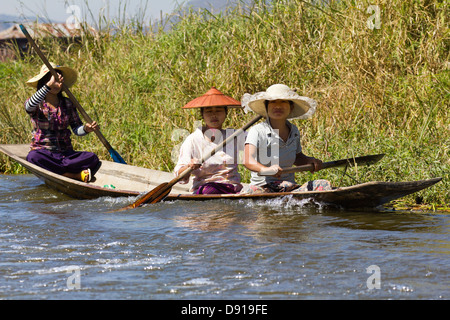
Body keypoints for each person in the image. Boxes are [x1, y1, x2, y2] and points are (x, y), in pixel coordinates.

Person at [241, 84, 331, 193]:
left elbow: (297, 157)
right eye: (273, 102)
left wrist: (310, 161)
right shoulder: (258, 131)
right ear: (266, 107)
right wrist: (265, 170)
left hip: (288, 187)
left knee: (321, 184)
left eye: (283, 102)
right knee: (252, 191)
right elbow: (247, 160)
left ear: (291, 107)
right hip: (263, 187)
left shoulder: (294, 131)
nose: (278, 106)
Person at [24, 63, 100, 182]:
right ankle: (74, 176)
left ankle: (61, 171)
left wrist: (86, 129)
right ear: (44, 81)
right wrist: (49, 85)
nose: (57, 84)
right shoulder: (37, 103)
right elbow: (28, 107)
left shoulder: (67, 103)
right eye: (53, 80)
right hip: (45, 153)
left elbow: (76, 128)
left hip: (65, 154)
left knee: (92, 158)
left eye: (59, 81)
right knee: (33, 157)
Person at [174, 87, 244, 194]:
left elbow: (260, 142)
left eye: (218, 110)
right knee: (210, 190)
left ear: (226, 113)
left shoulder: (234, 136)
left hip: (231, 188)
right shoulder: (193, 140)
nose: (214, 115)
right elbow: (179, 174)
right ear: (202, 115)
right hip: (204, 190)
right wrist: (189, 167)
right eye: (209, 111)